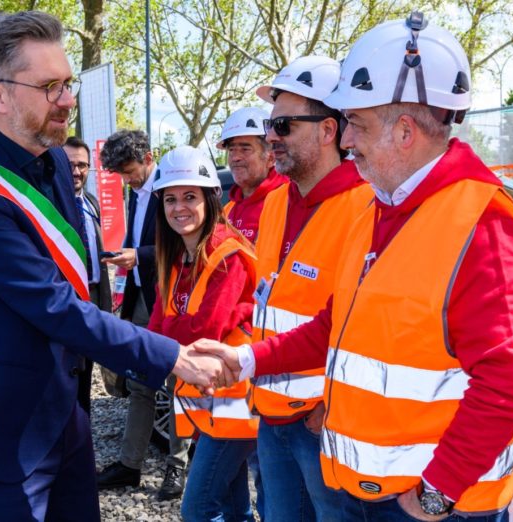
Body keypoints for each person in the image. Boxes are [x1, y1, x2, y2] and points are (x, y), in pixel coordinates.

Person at [198, 12, 513, 522]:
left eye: (356, 124)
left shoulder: (482, 223)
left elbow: (507, 383)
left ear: (405, 131)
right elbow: (334, 327)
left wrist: (435, 493)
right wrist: (246, 361)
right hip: (365, 495)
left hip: (432, 508)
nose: (348, 140)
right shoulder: (379, 209)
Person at [0, 11, 224, 522]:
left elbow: (80, 282)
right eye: (50, 87)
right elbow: (53, 303)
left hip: (64, 411)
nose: (68, 100)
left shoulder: (58, 160)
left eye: (69, 84)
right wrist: (171, 355)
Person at [249, 55, 374, 522]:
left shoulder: (365, 205)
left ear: (327, 131)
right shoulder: (278, 200)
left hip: (322, 425)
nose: (270, 137)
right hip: (272, 414)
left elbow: (362, 326)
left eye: (283, 125)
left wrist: (328, 407)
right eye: (269, 124)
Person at [150, 145, 257, 522]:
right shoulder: (177, 256)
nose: (179, 207)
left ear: (211, 198)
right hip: (207, 400)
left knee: (197, 508)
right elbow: (157, 327)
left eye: (190, 197)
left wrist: (165, 339)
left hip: (235, 400)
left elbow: (205, 329)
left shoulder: (227, 252)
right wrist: (167, 336)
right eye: (171, 199)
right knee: (232, 506)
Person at [96, 129, 191, 500]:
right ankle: (129, 465)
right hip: (140, 298)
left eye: (129, 168)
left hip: (169, 299)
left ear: (149, 156)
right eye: (119, 172)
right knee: (139, 383)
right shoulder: (135, 195)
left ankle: (177, 468)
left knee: (177, 386)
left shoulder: (172, 189)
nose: (126, 177)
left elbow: (184, 243)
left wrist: (140, 255)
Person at [63, 135, 112, 416]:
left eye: (82, 165)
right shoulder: (47, 205)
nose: (77, 171)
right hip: (66, 302)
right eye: (70, 164)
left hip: (93, 296)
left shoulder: (91, 203)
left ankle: (82, 433)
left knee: (86, 371)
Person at [216, 107, 285, 242]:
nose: (235, 157)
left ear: (271, 158)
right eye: (232, 150)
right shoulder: (227, 211)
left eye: (245, 149)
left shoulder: (288, 201)